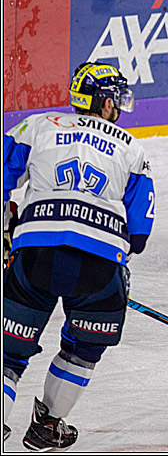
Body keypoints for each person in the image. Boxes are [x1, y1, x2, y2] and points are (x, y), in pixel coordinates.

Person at [2, 63, 155, 451]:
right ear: (105, 103)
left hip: (35, 251)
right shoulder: (131, 147)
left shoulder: (38, 126)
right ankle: (48, 426)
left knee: (8, 353)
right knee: (82, 351)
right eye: (115, 99)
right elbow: (139, 234)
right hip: (99, 263)